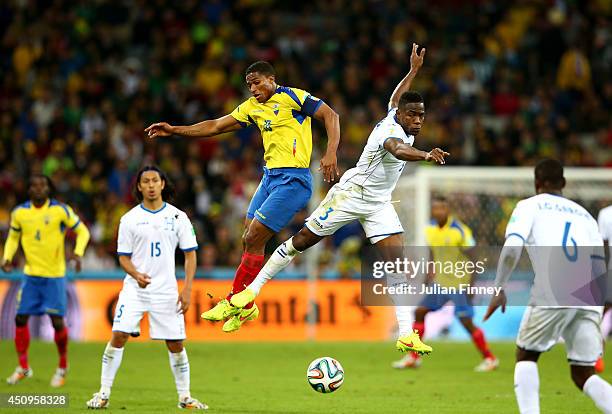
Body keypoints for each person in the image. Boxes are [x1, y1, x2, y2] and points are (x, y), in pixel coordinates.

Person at [231, 44, 443, 355]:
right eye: (412, 114)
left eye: (421, 115)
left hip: (379, 202)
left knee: (397, 261)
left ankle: (406, 333)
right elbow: (398, 150)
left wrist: (412, 71)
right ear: (400, 116)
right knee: (301, 241)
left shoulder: (397, 112)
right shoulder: (389, 131)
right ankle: (251, 292)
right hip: (351, 194)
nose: (418, 120)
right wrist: (425, 154)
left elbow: (397, 97)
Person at [145, 60, 340, 332]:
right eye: (249, 85)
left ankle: (234, 300)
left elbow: (331, 116)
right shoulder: (252, 108)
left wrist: (330, 152)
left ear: (272, 79)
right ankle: (247, 307)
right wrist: (175, 130)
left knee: (254, 237)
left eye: (257, 82)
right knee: (248, 237)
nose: (253, 89)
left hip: (294, 179)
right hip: (270, 177)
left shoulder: (293, 97)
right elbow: (214, 126)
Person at [484, 159, 612, 414]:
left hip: (554, 287)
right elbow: (601, 263)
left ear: (536, 183)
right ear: (563, 183)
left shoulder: (529, 206)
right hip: (591, 295)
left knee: (526, 355)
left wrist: (499, 287)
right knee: (583, 372)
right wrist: (600, 312)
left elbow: (511, 249)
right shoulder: (585, 215)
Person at [86, 166, 206, 410]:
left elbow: (190, 256)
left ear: (162, 184)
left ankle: (185, 397)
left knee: (175, 344)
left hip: (167, 291)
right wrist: (135, 274)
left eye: (155, 180)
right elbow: (123, 257)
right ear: (139, 187)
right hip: (135, 289)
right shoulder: (129, 219)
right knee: (118, 336)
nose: (151, 185)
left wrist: (187, 289)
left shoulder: (178, 217)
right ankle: (103, 393)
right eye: (146, 181)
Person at [2, 174, 90, 387]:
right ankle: (23, 367)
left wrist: (78, 254)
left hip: (55, 276)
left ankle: (62, 366)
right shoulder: (20, 213)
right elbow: (13, 237)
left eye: (43, 185)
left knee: (57, 322)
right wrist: (7, 257)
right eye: (34, 185)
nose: (39, 189)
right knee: (20, 319)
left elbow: (82, 231)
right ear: (29, 189)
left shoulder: (60, 210)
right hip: (31, 276)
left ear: (49, 189)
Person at [392, 196, 498, 371]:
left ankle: (490, 358)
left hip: (459, 283)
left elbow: (474, 257)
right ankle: (413, 357)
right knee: (420, 312)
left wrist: (471, 285)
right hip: (441, 283)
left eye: (443, 208)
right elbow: (434, 253)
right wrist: (428, 274)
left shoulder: (459, 230)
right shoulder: (430, 229)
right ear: (432, 211)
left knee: (465, 321)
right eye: (436, 208)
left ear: (448, 210)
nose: (439, 211)